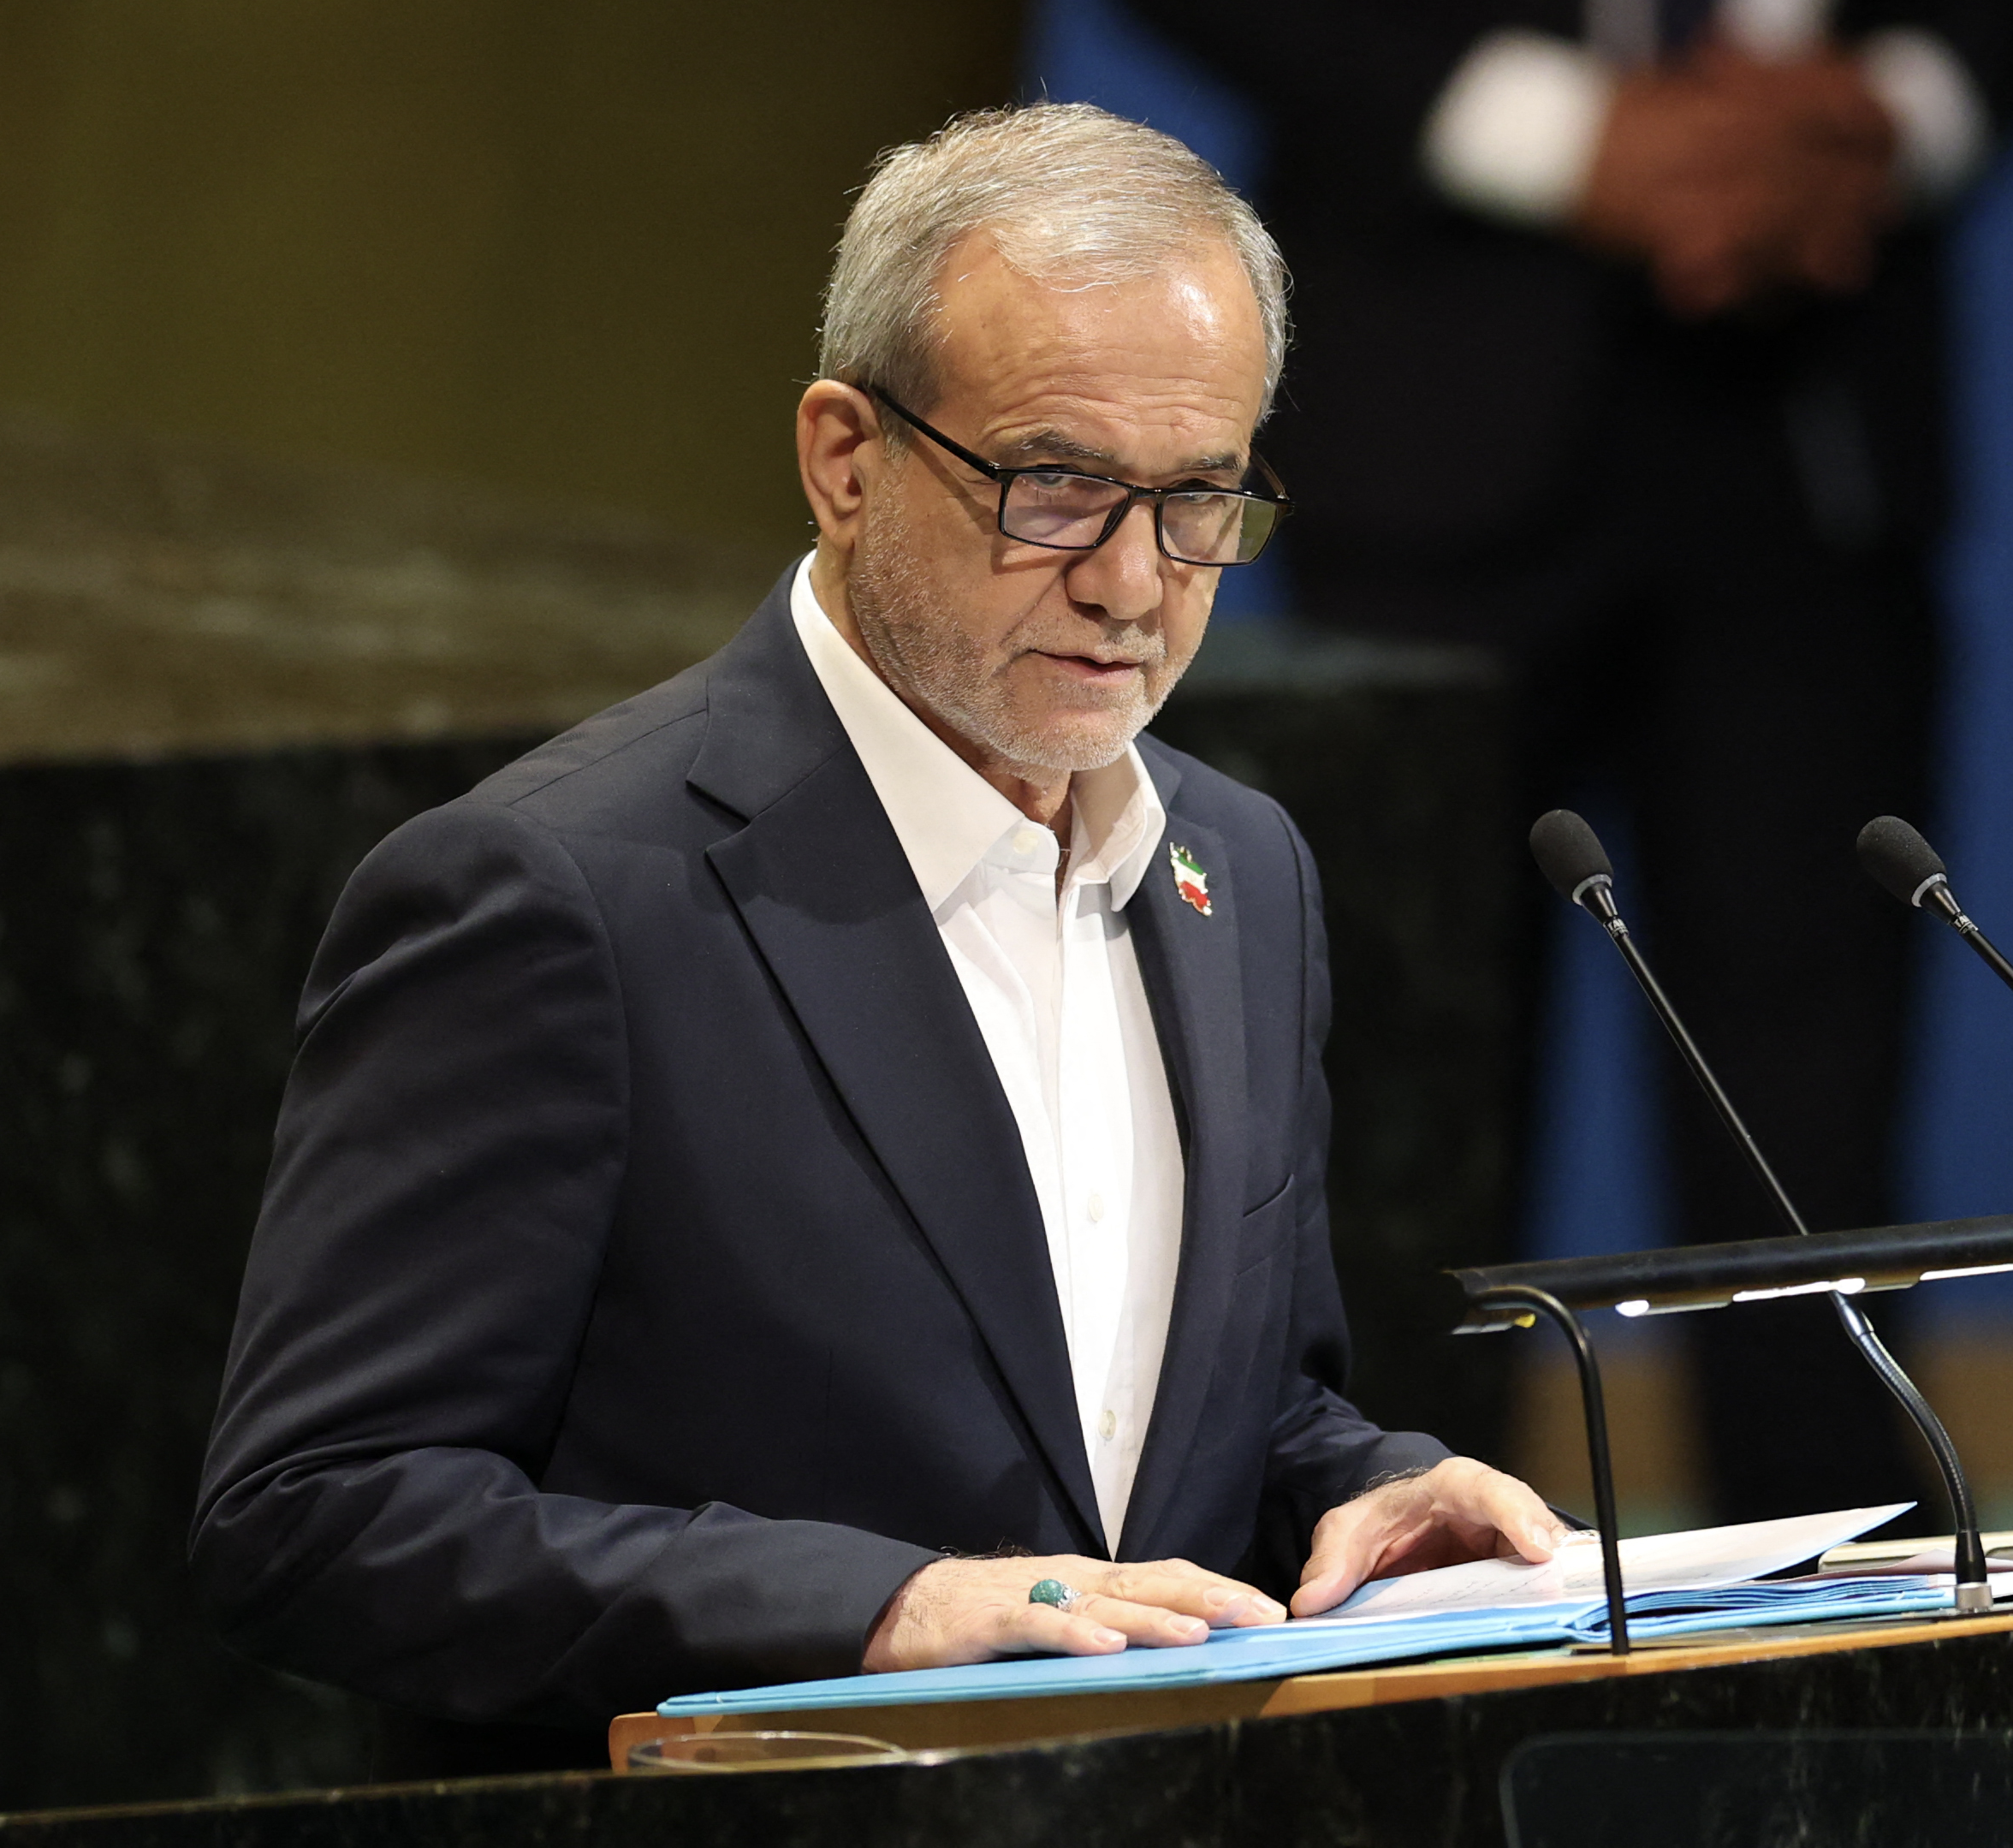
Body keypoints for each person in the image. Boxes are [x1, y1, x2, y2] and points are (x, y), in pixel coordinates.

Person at [189, 104, 1559, 1761]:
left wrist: (1379, 1489)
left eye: (1200, 495)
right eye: (1057, 488)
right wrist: (874, 1613)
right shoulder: (553, 898)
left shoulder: (1238, 869)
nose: (1136, 582)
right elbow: (318, 1517)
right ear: (846, 458)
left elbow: (1213, 1412)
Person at [1115, 0, 2013, 1522]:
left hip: (1812, 420)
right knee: (1388, 1120)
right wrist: (1556, 132)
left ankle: (1844, 1686)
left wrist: (1881, 119)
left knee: (1812, 1128)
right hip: (1424, 412)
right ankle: (1386, 1636)